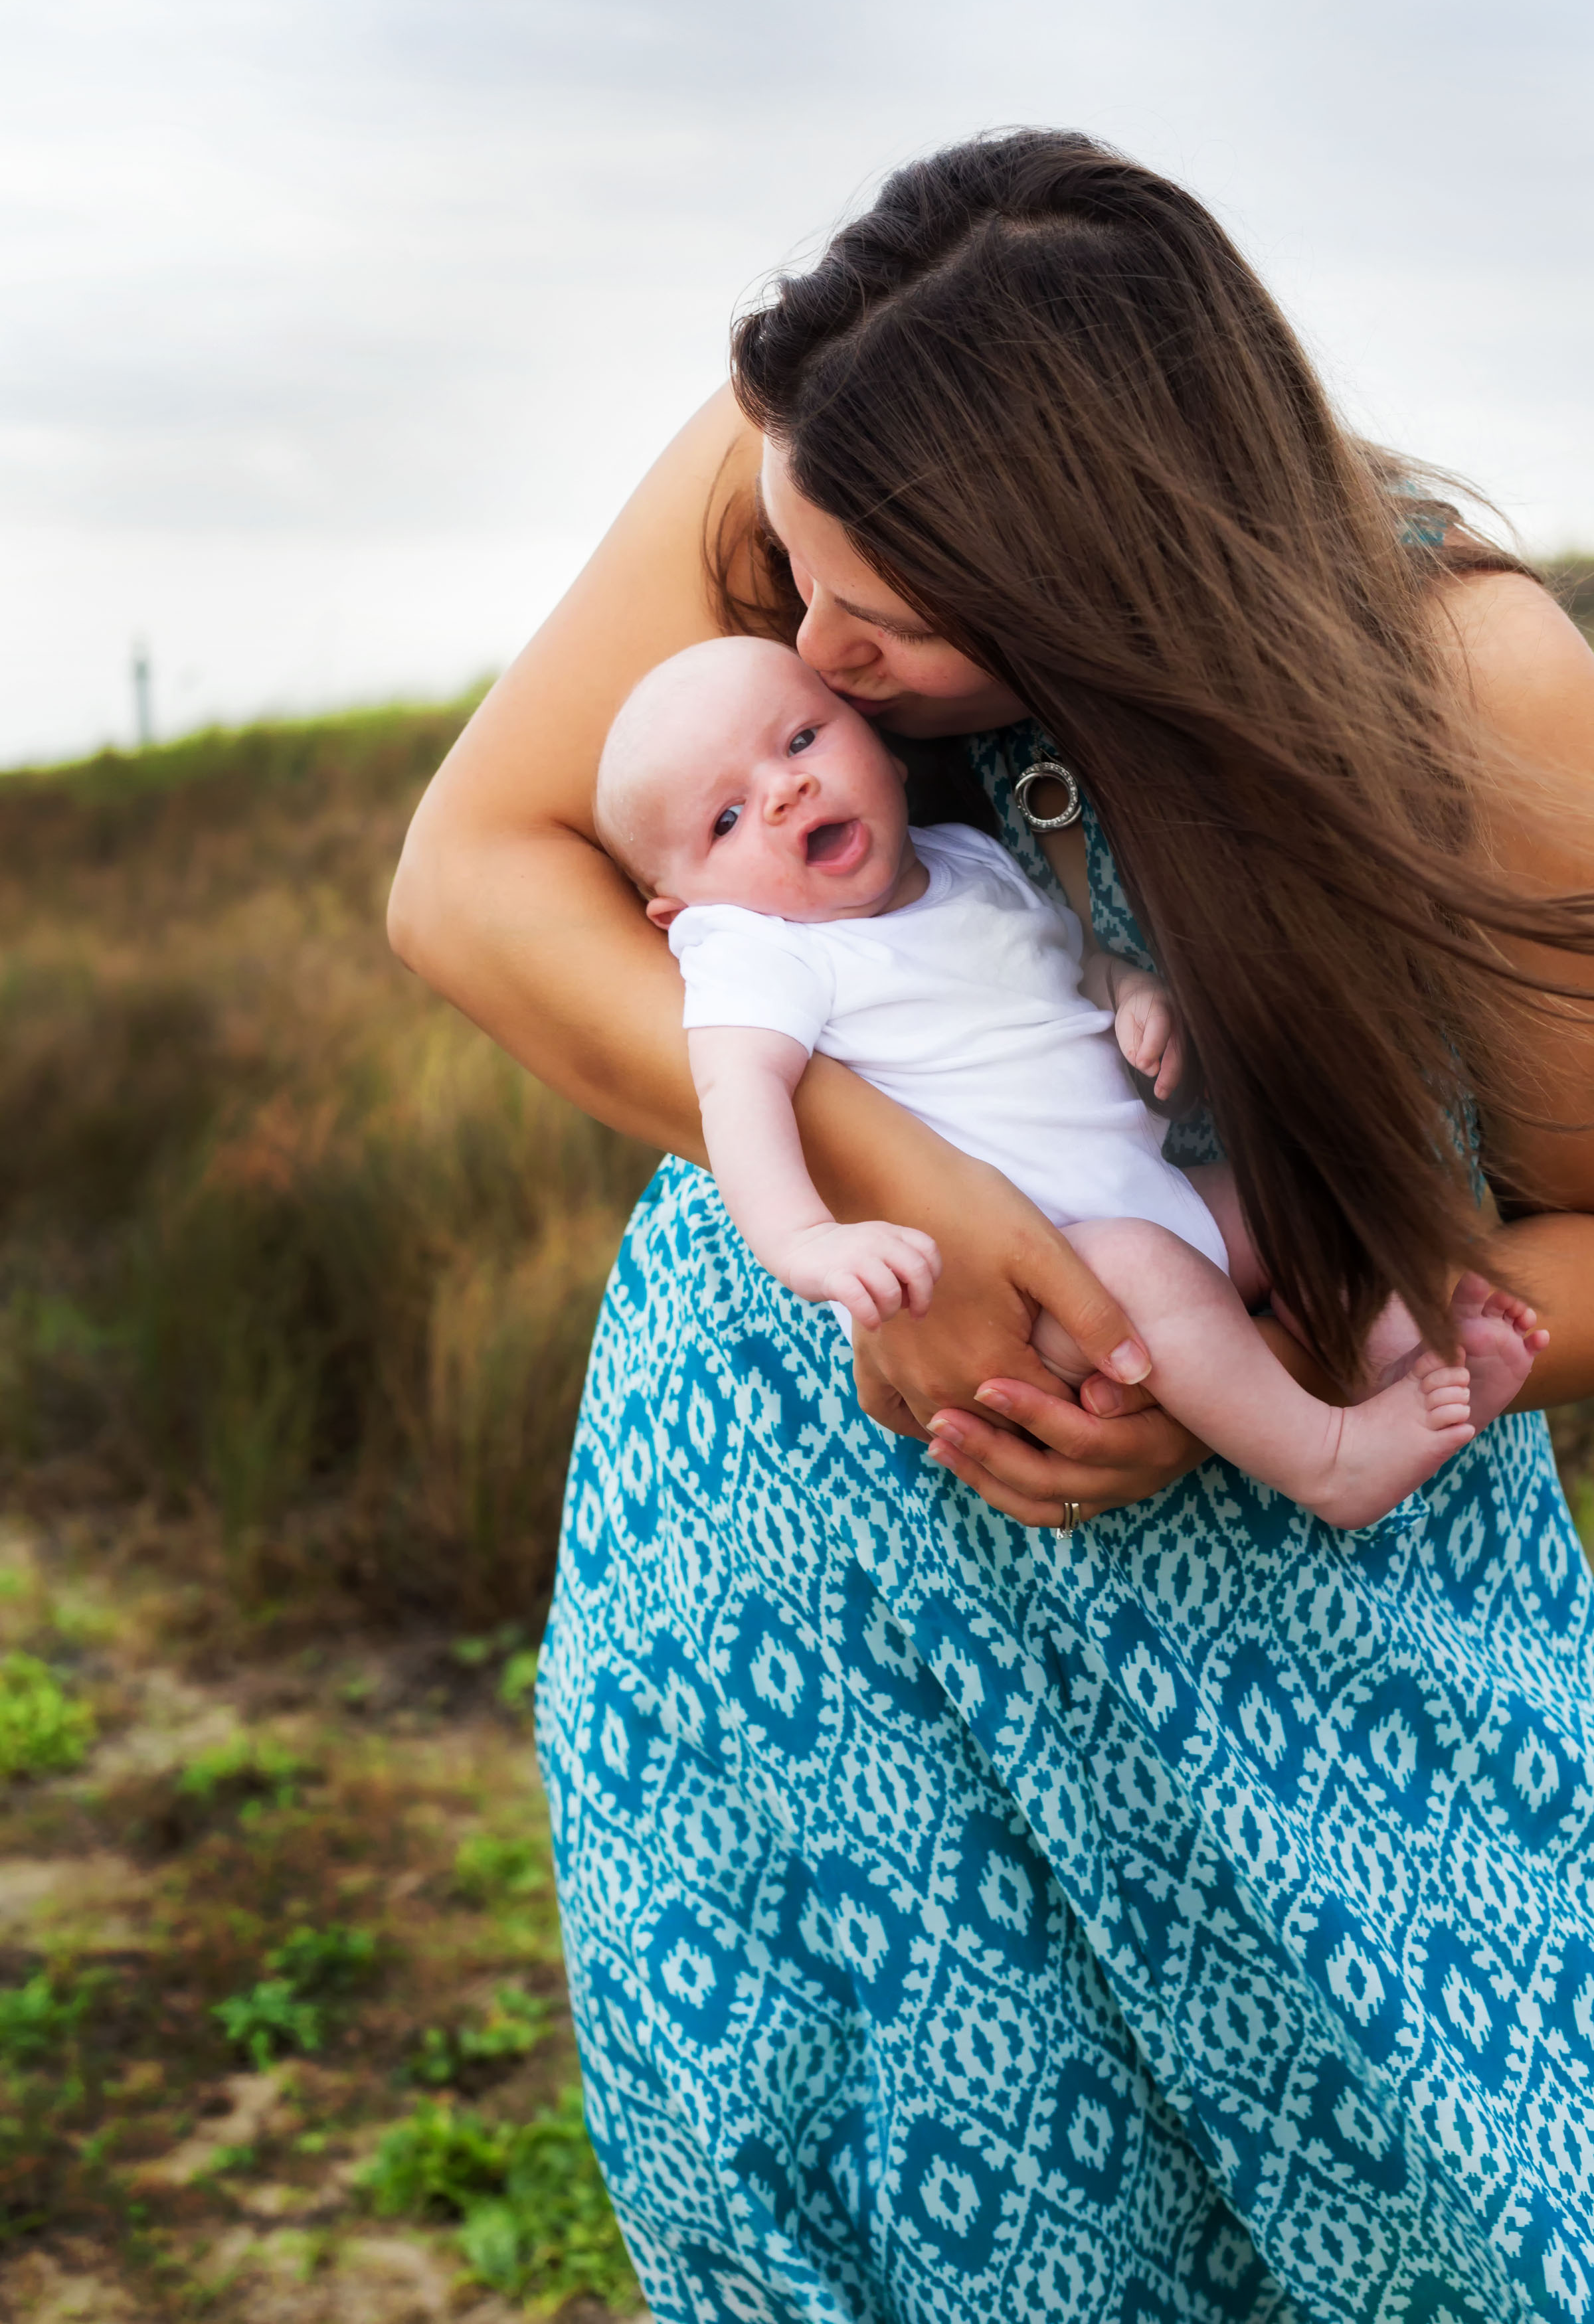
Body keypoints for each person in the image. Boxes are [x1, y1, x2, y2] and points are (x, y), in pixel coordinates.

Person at [389, 131, 1594, 2323]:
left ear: (1122, 564)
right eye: (797, 581)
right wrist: (892, 1177)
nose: (815, 653)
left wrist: (1264, 1361)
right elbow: (468, 876)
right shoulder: (815, 447)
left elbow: (1591, 1234)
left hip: (1301, 1695)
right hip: (797, 1656)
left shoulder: (1475, 682)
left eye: (898, 621)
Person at [596, 633, 1546, 1530]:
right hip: (1044, 1277)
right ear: (680, 912)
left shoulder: (962, 858)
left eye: (802, 739)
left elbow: (1061, 963)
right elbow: (737, 1094)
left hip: (1160, 1197)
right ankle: (1330, 1463)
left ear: (879, 750)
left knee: (1302, 1190)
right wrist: (804, 1240)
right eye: (725, 819)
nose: (785, 789)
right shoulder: (760, 948)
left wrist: (1129, 994)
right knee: (1143, 1269)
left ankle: (1393, 1347)